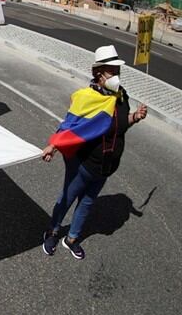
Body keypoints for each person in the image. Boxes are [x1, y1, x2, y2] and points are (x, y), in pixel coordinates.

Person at [41, 45, 148, 260]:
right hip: (82, 164)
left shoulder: (121, 96)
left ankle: (72, 239)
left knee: (87, 203)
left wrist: (135, 117)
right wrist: (53, 146)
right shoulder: (86, 97)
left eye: (118, 71)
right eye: (112, 71)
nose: (116, 76)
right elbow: (69, 126)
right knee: (67, 198)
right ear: (99, 74)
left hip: (105, 167)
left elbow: (120, 125)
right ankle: (52, 232)